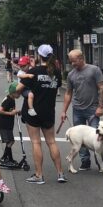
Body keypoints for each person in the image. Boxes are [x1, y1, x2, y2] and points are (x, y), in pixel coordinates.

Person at [21, 44, 67, 184]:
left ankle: (39, 175)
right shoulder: (56, 73)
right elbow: (55, 86)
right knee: (51, 142)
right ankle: (60, 174)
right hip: (48, 110)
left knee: (36, 142)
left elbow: (18, 88)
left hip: (33, 111)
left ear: (39, 55)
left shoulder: (34, 71)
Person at [57, 49, 103, 170]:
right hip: (77, 109)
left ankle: (101, 163)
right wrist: (64, 111)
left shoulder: (94, 70)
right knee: (79, 138)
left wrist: (100, 107)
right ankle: (85, 161)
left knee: (97, 136)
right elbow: (68, 93)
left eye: (74, 61)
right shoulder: (71, 75)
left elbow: (101, 88)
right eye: (71, 61)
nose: (72, 64)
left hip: (93, 109)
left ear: (81, 58)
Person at [0, 82, 21, 165]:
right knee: (11, 141)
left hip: (8, 124)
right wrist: (11, 113)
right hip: (4, 124)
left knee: (9, 142)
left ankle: (10, 159)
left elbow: (11, 110)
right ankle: (3, 158)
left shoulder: (12, 99)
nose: (20, 94)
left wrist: (16, 112)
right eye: (19, 92)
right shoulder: (8, 100)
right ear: (13, 93)